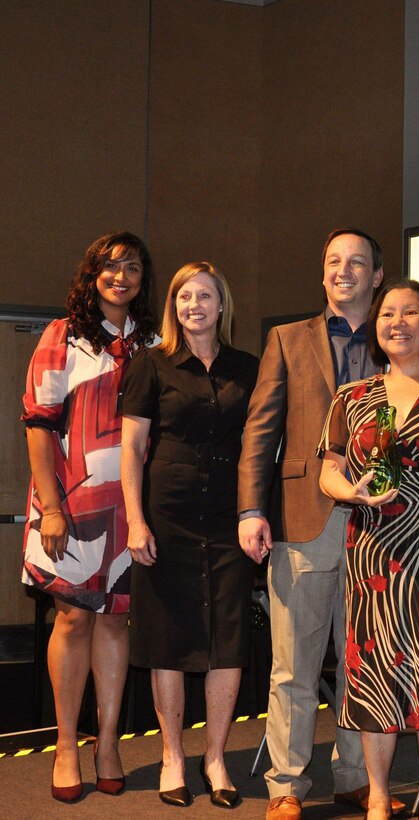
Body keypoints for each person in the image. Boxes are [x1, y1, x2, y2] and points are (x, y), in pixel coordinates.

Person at [237, 229, 395, 820]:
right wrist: (252, 510)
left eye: (357, 262)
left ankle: (355, 775)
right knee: (293, 665)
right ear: (322, 272)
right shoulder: (287, 339)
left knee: (363, 660)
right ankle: (286, 784)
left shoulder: (396, 335)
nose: (343, 271)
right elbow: (260, 432)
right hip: (303, 519)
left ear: (377, 275)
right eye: (333, 261)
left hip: (382, 524)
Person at [319, 279, 419, 820]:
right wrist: (346, 491)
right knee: (375, 671)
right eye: (387, 314)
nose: (398, 322)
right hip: (373, 556)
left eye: (410, 313)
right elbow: (330, 468)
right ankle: (378, 795)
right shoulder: (352, 398)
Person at [22, 231, 156, 803]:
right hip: (68, 503)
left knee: (115, 622)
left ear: (144, 279)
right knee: (73, 621)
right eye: (109, 266)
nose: (120, 276)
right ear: (91, 274)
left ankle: (108, 742)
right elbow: (37, 423)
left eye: (131, 267)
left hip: (130, 508)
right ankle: (68, 744)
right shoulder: (62, 335)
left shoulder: (154, 342)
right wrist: (51, 507)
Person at [121, 262, 259, 809]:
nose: (194, 306)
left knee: (228, 638)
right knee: (168, 638)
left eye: (205, 296)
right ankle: (174, 756)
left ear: (222, 305)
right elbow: (132, 450)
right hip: (167, 514)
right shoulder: (150, 366)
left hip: (231, 518)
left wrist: (256, 512)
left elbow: (261, 443)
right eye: (183, 297)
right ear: (173, 308)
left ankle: (216, 757)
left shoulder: (248, 368)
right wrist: (135, 520)